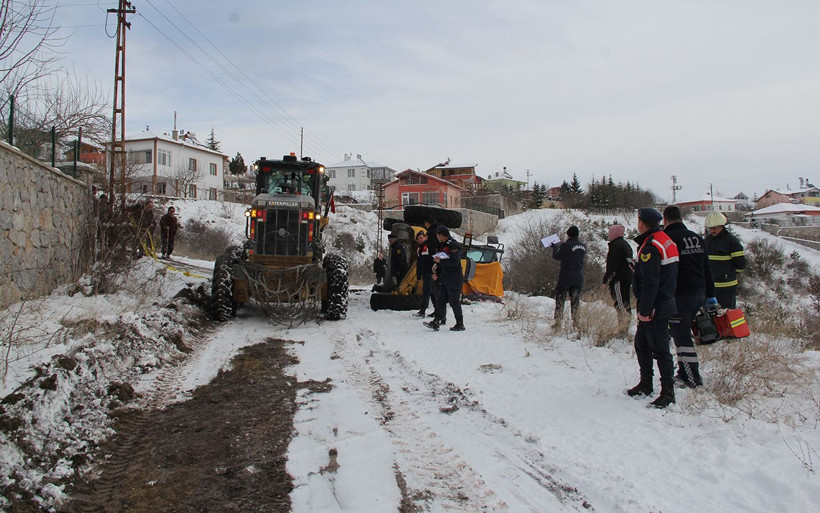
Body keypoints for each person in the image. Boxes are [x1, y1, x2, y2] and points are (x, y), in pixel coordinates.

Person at [628, 207, 680, 409]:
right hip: (664, 300)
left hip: (656, 305)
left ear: (642, 222)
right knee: (641, 344)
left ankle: (668, 392)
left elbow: (652, 282)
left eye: (638, 220)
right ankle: (646, 383)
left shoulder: (650, 246)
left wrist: (645, 309)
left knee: (659, 349)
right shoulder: (665, 240)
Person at [663, 206, 715, 388]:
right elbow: (707, 268)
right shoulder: (697, 238)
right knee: (682, 333)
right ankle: (684, 372)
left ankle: (692, 377)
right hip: (698, 293)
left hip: (680, 295)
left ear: (665, 219)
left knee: (681, 336)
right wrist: (711, 295)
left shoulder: (668, 240)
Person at [424, 225, 465, 331]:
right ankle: (437, 320)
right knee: (440, 300)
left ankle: (460, 323)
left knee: (454, 301)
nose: (437, 237)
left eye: (438, 235)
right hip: (445, 277)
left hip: (454, 278)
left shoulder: (453, 245)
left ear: (442, 235)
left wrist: (440, 261)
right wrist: (436, 268)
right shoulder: (443, 245)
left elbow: (454, 261)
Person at [704, 211, 746, 309]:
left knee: (727, 316)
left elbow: (741, 264)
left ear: (722, 226)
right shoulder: (707, 241)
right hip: (710, 288)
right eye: (710, 228)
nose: (712, 231)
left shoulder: (732, 242)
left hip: (727, 288)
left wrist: (728, 273)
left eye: (714, 228)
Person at [551, 225, 586, 330]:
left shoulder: (566, 245)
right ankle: (576, 322)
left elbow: (556, 257)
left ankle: (558, 322)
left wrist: (555, 248)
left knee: (560, 299)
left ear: (568, 234)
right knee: (575, 300)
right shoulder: (583, 246)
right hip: (578, 275)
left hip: (566, 275)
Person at [602, 224, 633, 335]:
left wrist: (606, 280)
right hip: (627, 278)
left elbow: (612, 265)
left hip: (618, 279)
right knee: (625, 303)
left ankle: (623, 330)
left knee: (620, 304)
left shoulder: (616, 246)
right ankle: (625, 328)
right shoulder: (626, 245)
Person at [414, 231, 434, 317]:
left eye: (420, 238)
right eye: (418, 239)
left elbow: (426, 261)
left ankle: (422, 311)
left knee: (426, 292)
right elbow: (420, 262)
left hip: (428, 273)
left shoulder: (426, 247)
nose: (419, 240)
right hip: (426, 273)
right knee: (432, 293)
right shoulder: (421, 248)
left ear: (425, 237)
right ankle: (437, 311)